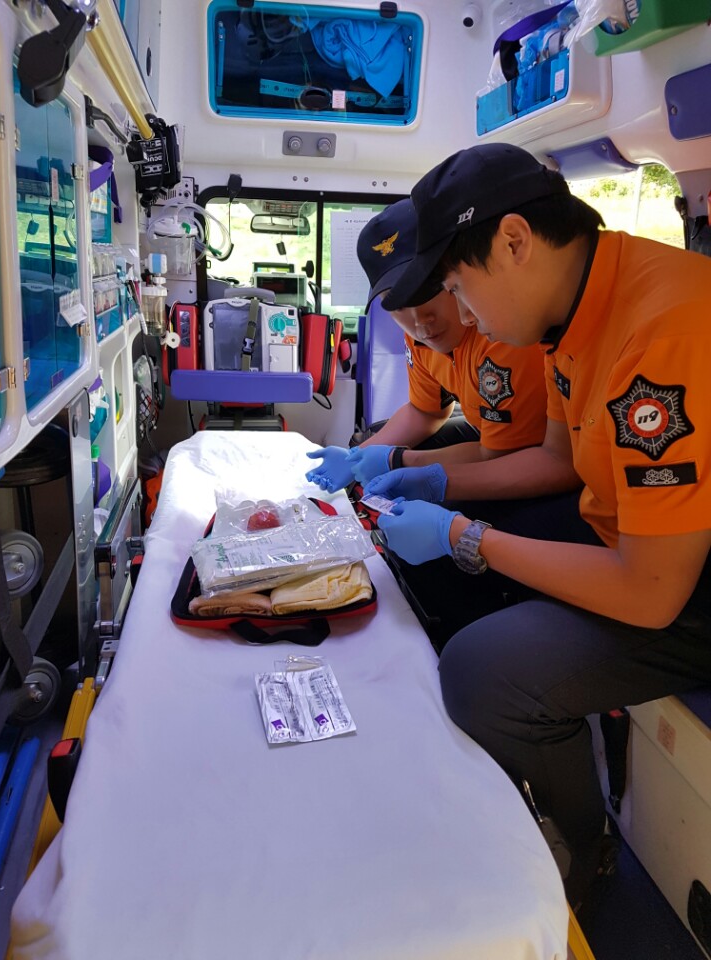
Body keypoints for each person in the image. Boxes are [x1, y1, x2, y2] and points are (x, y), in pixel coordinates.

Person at [369, 142, 711, 910]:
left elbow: (653, 590)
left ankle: (583, 852)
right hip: (629, 531)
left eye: (459, 286)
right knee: (436, 569)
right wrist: (431, 481)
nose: (463, 314)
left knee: (481, 670)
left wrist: (469, 539)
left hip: (688, 583)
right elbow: (560, 462)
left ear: (516, 241)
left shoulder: (662, 333)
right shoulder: (574, 313)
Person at [305, 198, 550, 643]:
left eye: (428, 292)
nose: (420, 322)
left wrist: (402, 463)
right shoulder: (420, 336)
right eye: (398, 304)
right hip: (493, 432)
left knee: (444, 499)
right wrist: (360, 456)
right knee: (373, 437)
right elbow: (426, 410)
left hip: (529, 451)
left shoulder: (498, 333)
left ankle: (457, 620)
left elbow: (501, 455)